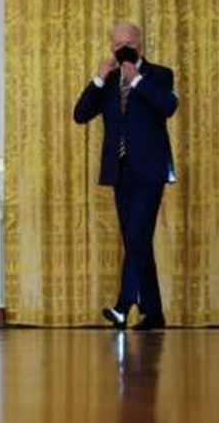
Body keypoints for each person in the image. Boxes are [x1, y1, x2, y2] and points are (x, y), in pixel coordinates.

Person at [73, 21, 179, 330]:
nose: (123, 50)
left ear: (140, 45)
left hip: (151, 170)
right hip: (120, 172)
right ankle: (154, 313)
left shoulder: (159, 74)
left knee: (136, 236)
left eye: (129, 44)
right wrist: (98, 79)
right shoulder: (108, 81)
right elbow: (80, 114)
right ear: (112, 48)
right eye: (118, 45)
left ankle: (123, 305)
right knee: (137, 240)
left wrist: (137, 81)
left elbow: (168, 106)